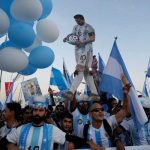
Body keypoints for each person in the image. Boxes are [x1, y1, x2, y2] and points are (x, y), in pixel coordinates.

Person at [63, 14, 98, 101]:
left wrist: (83, 42)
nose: (77, 22)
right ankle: (95, 93)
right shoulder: (75, 27)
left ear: (82, 19)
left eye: (78, 20)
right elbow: (73, 36)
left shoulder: (89, 27)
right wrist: (66, 38)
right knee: (86, 72)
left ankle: (71, 92)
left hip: (86, 50)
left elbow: (93, 38)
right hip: (77, 50)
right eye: (76, 21)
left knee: (80, 70)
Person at [85, 83, 131, 149]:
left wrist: (125, 95)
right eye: (96, 110)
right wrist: (90, 142)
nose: (100, 111)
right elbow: (79, 140)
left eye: (102, 109)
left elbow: (125, 111)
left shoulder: (109, 122)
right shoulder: (86, 128)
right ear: (90, 114)